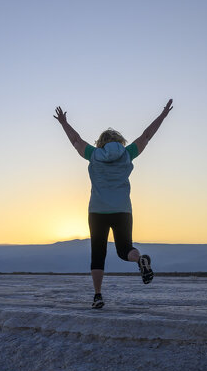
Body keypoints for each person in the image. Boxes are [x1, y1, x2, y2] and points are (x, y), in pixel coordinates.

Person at [54, 100, 173, 308]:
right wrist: (162, 115)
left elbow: (75, 140)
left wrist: (64, 122)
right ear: (120, 141)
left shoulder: (93, 154)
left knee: (98, 253)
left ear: (101, 142)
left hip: (98, 211)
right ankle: (139, 260)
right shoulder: (128, 154)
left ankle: (98, 296)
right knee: (124, 248)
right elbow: (146, 136)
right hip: (122, 211)